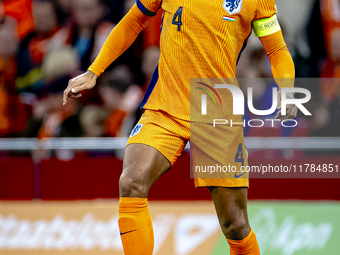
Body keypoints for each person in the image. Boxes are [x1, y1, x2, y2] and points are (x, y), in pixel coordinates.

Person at [63, 0, 297, 254]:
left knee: (235, 224)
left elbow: (277, 50)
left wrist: (286, 89)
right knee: (132, 182)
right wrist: (94, 70)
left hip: (216, 113)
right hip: (166, 105)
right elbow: (133, 20)